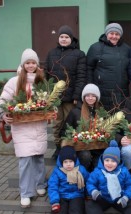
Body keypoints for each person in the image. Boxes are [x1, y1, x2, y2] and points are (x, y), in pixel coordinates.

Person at [0, 49, 49, 208]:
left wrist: (49, 112)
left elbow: (48, 102)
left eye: (33, 62)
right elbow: (3, 99)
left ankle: (40, 185)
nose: (31, 65)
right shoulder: (14, 81)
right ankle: (26, 193)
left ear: (37, 64)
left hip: (38, 125)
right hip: (21, 127)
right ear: (23, 64)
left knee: (39, 157)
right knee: (25, 160)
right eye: (28, 62)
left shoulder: (42, 81)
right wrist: (3, 115)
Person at [45, 25, 87, 160]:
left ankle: (68, 147)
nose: (64, 39)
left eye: (66, 37)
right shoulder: (51, 53)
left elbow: (81, 76)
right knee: (57, 124)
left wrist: (76, 95)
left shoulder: (79, 54)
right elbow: (47, 74)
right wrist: (49, 94)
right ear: (58, 38)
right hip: (56, 98)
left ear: (71, 39)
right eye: (61, 37)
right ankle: (58, 148)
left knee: (69, 124)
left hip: (71, 98)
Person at [85, 140, 131, 214]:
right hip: (102, 198)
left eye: (113, 161)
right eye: (107, 160)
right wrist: (94, 192)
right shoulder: (97, 171)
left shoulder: (123, 171)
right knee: (90, 205)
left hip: (119, 199)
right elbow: (90, 183)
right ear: (103, 160)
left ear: (118, 162)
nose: (109, 163)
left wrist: (126, 197)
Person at [87, 23, 130, 112]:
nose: (114, 36)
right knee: (102, 119)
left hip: (121, 92)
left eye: (117, 34)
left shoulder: (127, 49)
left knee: (119, 119)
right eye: (111, 33)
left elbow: (130, 68)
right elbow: (88, 69)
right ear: (107, 34)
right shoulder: (95, 48)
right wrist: (90, 89)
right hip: (101, 92)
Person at [63, 83, 104, 171]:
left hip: (97, 146)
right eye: (87, 95)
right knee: (85, 156)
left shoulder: (101, 112)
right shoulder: (75, 112)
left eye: (93, 96)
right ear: (83, 97)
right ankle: (83, 173)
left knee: (99, 165)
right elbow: (65, 130)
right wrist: (74, 136)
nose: (90, 98)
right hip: (81, 147)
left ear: (97, 98)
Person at [48, 146, 89, 214]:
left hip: (77, 195)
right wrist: (55, 201)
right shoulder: (57, 171)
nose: (68, 164)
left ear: (75, 161)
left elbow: (88, 182)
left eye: (71, 161)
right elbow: (52, 186)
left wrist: (88, 194)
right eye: (65, 162)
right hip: (62, 195)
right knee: (60, 211)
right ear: (61, 162)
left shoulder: (81, 169)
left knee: (76, 210)